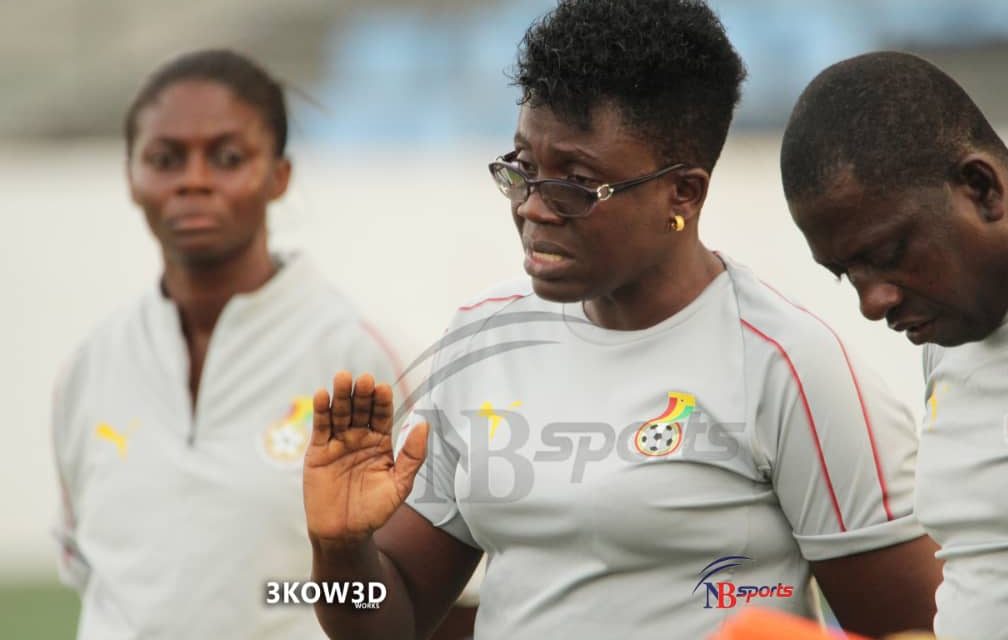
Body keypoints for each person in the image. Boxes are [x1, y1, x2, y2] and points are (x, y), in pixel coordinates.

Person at [304, 3, 942, 639]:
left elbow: (912, 628)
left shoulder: (788, 365)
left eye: (577, 184)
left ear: (683, 194)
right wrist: (338, 548)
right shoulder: (484, 337)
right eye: (524, 168)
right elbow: (391, 622)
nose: (534, 207)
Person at [51, 49, 401, 639]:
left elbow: (407, 591)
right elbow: (93, 567)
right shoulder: (90, 365)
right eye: (165, 159)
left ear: (279, 176)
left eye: (227, 157)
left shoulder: (357, 357)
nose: (193, 179)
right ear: (131, 178)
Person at [780, 51, 1008, 639]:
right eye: (845, 273)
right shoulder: (951, 325)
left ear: (980, 188)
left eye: (887, 255)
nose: (871, 303)